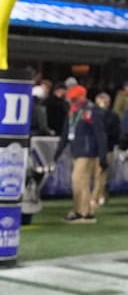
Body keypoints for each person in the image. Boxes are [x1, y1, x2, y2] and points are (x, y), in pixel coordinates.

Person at [53, 85, 107, 223]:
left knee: (79, 180)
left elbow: (100, 134)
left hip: (87, 152)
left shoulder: (90, 112)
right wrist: (57, 153)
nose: (72, 102)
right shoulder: (73, 112)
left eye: (75, 99)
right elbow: (65, 134)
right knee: (78, 182)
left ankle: (83, 212)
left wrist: (102, 155)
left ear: (82, 97)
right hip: (76, 151)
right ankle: (83, 211)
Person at [94, 92, 120, 207]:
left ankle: (100, 196)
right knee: (99, 174)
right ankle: (98, 196)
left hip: (107, 148)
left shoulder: (112, 116)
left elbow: (115, 132)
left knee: (103, 174)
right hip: (95, 149)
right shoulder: (92, 116)